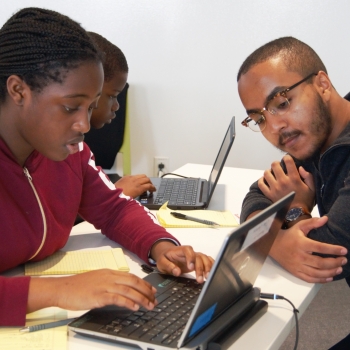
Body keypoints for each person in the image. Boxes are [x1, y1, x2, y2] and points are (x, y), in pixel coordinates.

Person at [0, 7, 213, 327]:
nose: (84, 124)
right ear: (18, 91)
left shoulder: (70, 151)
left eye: (91, 105)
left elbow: (113, 209)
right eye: (71, 107)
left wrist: (161, 247)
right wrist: (60, 291)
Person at [237, 36, 350, 286]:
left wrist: (295, 208)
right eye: (259, 120)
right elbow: (257, 195)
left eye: (283, 103)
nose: (275, 126)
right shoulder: (316, 137)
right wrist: (277, 244)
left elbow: (329, 254)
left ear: (322, 84)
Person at [86, 31, 155, 198]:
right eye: (112, 96)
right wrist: (116, 194)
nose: (117, 106)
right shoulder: (59, 147)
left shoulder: (80, 150)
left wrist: (113, 194)